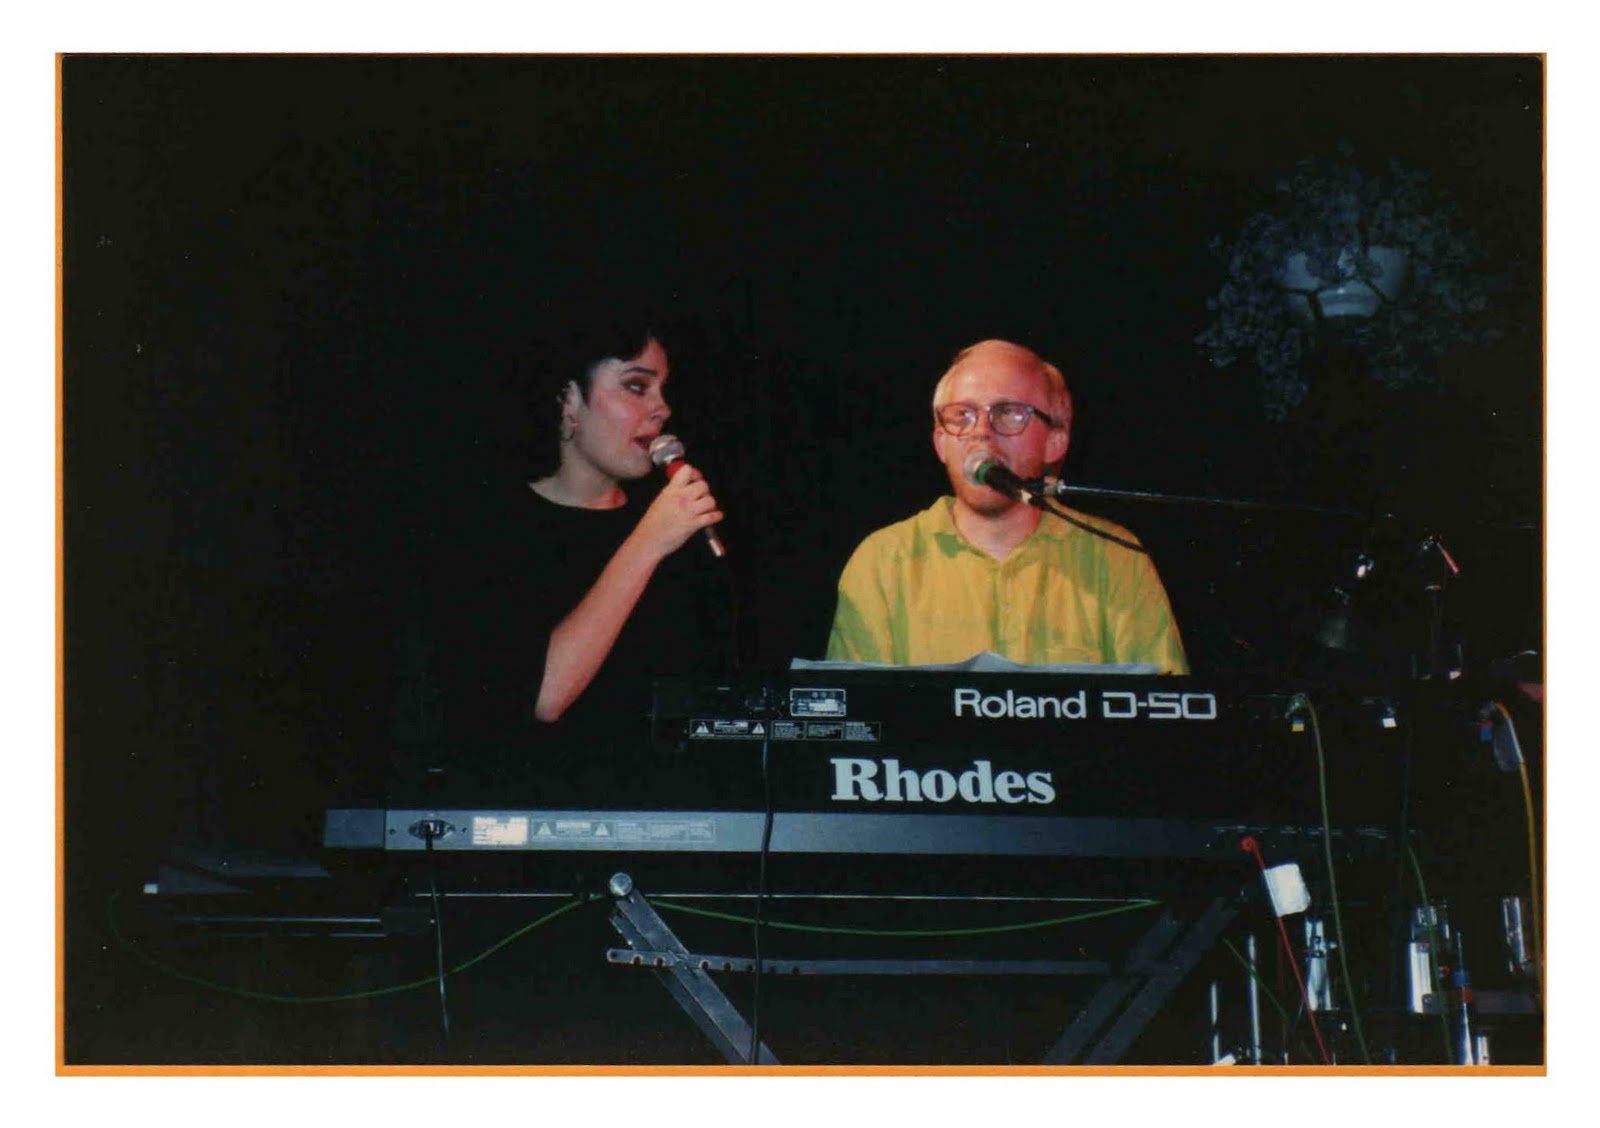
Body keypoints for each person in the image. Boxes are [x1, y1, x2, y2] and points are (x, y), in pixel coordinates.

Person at [425, 315, 733, 789]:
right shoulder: (488, 529)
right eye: (636, 387)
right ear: (569, 399)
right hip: (527, 803)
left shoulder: (678, 534)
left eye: (663, 390)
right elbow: (544, 697)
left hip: (658, 808)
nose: (661, 409)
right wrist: (647, 544)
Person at [824, 339, 1188, 672]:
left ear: (1055, 440)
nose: (981, 430)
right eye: (962, 415)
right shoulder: (883, 562)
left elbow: (1164, 712)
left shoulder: (1115, 557)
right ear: (941, 443)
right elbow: (858, 714)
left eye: (1008, 412)